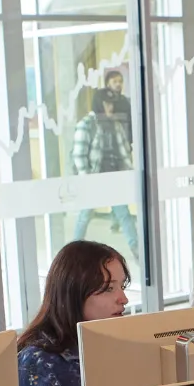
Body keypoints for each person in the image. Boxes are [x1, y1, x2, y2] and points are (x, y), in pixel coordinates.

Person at [16, 240, 130, 386]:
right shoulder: (41, 361)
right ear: (74, 294)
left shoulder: (116, 342)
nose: (123, 299)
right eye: (108, 289)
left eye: (122, 286)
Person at [69, 71, 141, 260]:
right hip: (94, 178)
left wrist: (129, 173)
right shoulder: (87, 124)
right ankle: (72, 253)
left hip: (113, 177)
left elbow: (123, 151)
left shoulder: (115, 124)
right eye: (106, 104)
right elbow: (79, 154)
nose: (110, 108)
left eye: (111, 104)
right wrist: (86, 180)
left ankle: (137, 251)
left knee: (124, 214)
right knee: (85, 216)